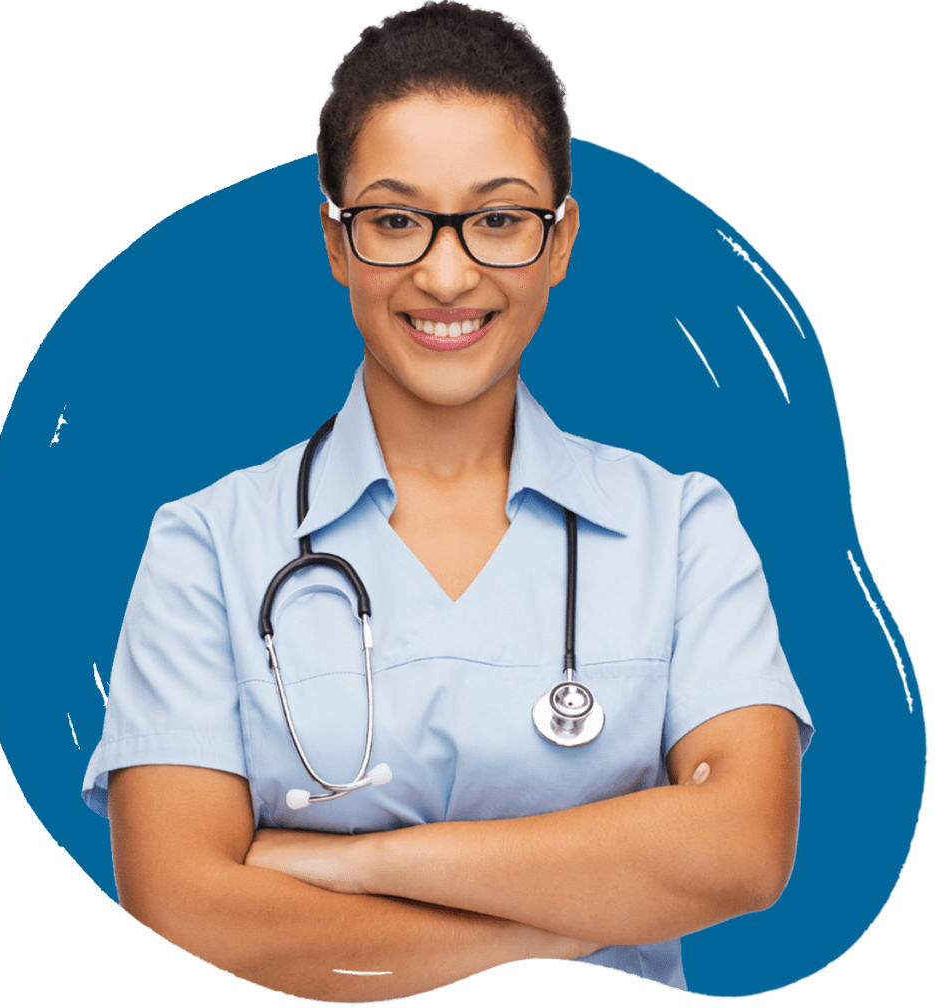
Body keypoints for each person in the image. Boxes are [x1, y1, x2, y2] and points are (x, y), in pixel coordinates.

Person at [83, 2, 812, 1001]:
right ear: (336, 244)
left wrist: (347, 861)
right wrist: (552, 935)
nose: (445, 270)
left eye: (499, 219)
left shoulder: (680, 527)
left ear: (560, 242)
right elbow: (182, 910)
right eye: (394, 220)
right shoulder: (206, 545)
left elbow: (741, 851)